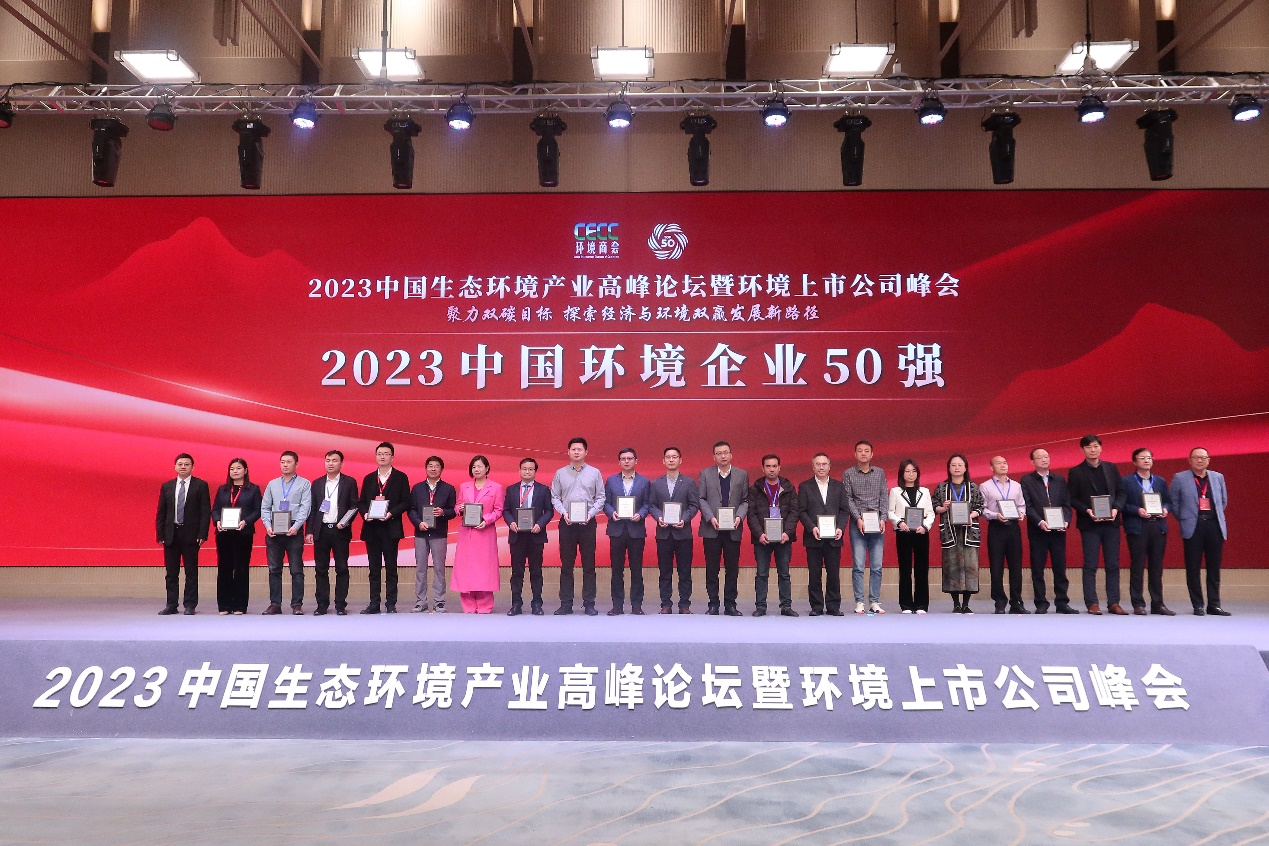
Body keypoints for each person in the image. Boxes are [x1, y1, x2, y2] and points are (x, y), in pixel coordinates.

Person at [1067, 434, 1127, 615]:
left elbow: (1121, 492)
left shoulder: (1111, 468)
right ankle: (1092, 602)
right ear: (1082, 450)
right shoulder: (1076, 471)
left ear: (1101, 448)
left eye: (1095, 446)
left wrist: (1116, 508)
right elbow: (1072, 498)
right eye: (1088, 447)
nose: (1092, 450)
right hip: (1089, 523)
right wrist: (1087, 510)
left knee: (1113, 564)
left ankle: (1114, 602)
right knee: (1090, 564)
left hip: (1111, 522)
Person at [1171, 447, 1231, 616]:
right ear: (1189, 460)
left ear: (1208, 460)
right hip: (1193, 525)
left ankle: (1214, 604)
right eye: (1196, 457)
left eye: (1203, 458)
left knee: (1214, 567)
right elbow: (1174, 503)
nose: (1200, 460)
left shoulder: (1218, 477)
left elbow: (1223, 501)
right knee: (1193, 567)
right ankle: (1198, 605)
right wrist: (1186, 518)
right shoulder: (1180, 478)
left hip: (1214, 525)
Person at [550, 437, 606, 616]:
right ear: (568, 452)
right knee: (567, 565)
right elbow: (555, 497)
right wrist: (563, 513)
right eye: (573, 449)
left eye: (579, 449)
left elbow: (601, 497)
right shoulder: (560, 473)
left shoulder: (595, 473)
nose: (576, 452)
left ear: (586, 452)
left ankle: (589, 603)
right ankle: (566, 604)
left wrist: (590, 514)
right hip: (567, 523)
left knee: (589, 565)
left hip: (588, 523)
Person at [1019, 448, 1077, 614]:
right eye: (1040, 457)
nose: (1044, 460)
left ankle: (1062, 602)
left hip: (1058, 531)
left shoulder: (1059, 480)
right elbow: (1027, 506)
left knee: (1060, 567)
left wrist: (1066, 520)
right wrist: (1040, 521)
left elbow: (1066, 504)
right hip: (1038, 531)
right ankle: (1041, 602)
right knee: (1038, 568)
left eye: (1046, 457)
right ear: (1032, 462)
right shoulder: (1027, 481)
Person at [1120, 448, 1175, 616]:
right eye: (1142, 458)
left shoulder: (1159, 481)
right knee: (1137, 566)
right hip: (1137, 527)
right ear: (1134, 461)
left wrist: (1165, 509)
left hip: (1157, 526)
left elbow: (1168, 501)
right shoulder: (1126, 481)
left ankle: (1158, 603)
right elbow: (1122, 504)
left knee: (1156, 567)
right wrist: (1137, 510)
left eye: (1149, 458)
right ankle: (1138, 603)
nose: (1146, 461)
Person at [155, 453, 210, 615]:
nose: (183, 467)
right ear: (175, 467)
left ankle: (190, 604)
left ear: (192, 467)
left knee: (191, 572)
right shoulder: (167, 486)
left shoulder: (201, 485)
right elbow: (162, 512)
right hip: (171, 534)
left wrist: (202, 534)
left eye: (187, 464)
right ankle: (171, 604)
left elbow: (205, 511)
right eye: (180, 464)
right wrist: (160, 534)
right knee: (171, 573)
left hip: (191, 534)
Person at [358, 442, 410, 614]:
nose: (382, 456)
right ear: (375, 456)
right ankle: (374, 603)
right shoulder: (369, 478)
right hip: (372, 528)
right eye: (379, 453)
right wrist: (365, 513)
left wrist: (391, 513)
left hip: (390, 527)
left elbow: (406, 501)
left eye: (386, 454)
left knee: (391, 568)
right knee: (374, 569)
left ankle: (391, 603)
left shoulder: (400, 477)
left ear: (392, 457)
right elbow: (362, 502)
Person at [697, 440, 749, 616]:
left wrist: (739, 516)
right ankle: (713, 604)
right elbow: (701, 498)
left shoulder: (742, 474)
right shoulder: (705, 474)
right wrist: (710, 517)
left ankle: (730, 604)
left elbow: (745, 500)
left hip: (733, 529)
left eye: (725, 452)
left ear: (731, 455)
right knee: (712, 568)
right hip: (711, 528)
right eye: (719, 453)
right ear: (714, 457)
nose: (723, 456)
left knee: (732, 569)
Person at [305, 450, 359, 616]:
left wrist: (345, 521)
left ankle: (340, 604)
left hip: (340, 530)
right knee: (321, 569)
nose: (330, 463)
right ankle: (322, 604)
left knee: (341, 568)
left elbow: (354, 506)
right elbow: (313, 509)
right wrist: (309, 530)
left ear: (341, 463)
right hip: (321, 530)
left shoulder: (349, 482)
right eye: (328, 460)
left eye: (334, 460)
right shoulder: (317, 483)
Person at [260, 450, 312, 615]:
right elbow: (265, 507)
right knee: (274, 569)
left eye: (289, 462)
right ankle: (275, 604)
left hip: (293, 530)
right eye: (282, 462)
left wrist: (296, 526)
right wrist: (267, 526)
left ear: (296, 464)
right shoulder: (272, 484)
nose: (285, 465)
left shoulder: (304, 484)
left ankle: (297, 604)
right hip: (274, 531)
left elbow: (305, 507)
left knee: (296, 570)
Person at [747, 454, 800, 617]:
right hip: (762, 538)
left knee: (784, 573)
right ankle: (760, 606)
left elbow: (794, 511)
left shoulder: (788, 488)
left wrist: (787, 532)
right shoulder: (755, 489)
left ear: (779, 468)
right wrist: (759, 534)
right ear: (763, 468)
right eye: (768, 466)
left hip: (783, 538)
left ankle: (786, 606)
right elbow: (751, 514)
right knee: (761, 574)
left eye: (774, 466)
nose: (771, 469)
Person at [649, 446, 700, 614]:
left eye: (674, 457)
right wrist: (659, 517)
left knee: (684, 571)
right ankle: (666, 604)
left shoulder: (689, 482)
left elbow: (694, 505)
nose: (671, 460)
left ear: (680, 460)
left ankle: (684, 604)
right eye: (668, 457)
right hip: (663, 533)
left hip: (683, 533)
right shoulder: (656, 483)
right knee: (665, 571)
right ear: (663, 461)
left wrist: (684, 519)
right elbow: (652, 505)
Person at [798, 453, 849, 616]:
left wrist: (840, 527)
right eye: (818, 464)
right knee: (815, 574)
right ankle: (817, 606)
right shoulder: (805, 486)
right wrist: (812, 527)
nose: (821, 467)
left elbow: (844, 510)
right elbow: (801, 511)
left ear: (829, 466)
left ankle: (833, 606)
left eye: (824, 464)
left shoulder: (839, 486)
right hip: (813, 537)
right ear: (813, 467)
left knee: (833, 574)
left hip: (834, 537)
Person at [931, 454, 984, 614]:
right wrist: (943, 507)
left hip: (969, 533)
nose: (957, 468)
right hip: (950, 533)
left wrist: (971, 515)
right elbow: (933, 506)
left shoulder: (973, 487)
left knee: (970, 567)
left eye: (960, 465)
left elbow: (981, 506)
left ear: (965, 468)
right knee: (952, 567)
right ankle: (955, 603)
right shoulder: (942, 487)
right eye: (953, 465)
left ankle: (966, 604)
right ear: (949, 468)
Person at [451, 455, 504, 614]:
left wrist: (486, 520)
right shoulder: (464, 486)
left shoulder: (496, 487)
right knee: (466, 569)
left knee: (484, 569)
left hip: (484, 532)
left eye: (480, 466)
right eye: (474, 467)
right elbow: (457, 506)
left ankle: (484, 604)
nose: (476, 469)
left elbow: (499, 510)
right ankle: (468, 604)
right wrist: (459, 509)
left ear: (487, 468)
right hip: (466, 532)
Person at [603, 448, 651, 616]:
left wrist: (641, 514)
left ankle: (637, 605)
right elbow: (606, 502)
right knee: (617, 570)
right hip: (616, 530)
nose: (626, 461)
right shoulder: (611, 480)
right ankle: (617, 605)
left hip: (636, 530)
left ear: (636, 461)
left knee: (636, 569)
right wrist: (611, 513)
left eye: (630, 458)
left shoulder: (644, 481)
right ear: (619, 462)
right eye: (623, 458)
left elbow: (647, 504)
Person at [842, 441, 888, 615]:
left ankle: (874, 601)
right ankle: (859, 601)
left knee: (876, 566)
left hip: (877, 524)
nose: (863, 453)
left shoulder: (880, 473)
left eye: (866, 451)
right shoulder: (848, 473)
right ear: (855, 454)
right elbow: (848, 498)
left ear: (872, 454)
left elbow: (884, 496)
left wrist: (883, 518)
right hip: (858, 524)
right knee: (858, 566)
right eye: (860, 451)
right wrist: (857, 518)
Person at [504, 457, 553, 615]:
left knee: (536, 572)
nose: (527, 471)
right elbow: (506, 510)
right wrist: (511, 522)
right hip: (517, 536)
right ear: (519, 471)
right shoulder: (511, 489)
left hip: (535, 535)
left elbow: (549, 511)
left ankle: (537, 604)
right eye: (524, 469)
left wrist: (540, 524)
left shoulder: (543, 489)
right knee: (517, 572)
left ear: (535, 472)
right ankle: (516, 604)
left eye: (530, 469)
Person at [407, 456, 456, 613]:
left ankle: (439, 601)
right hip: (421, 533)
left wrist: (443, 512)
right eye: (430, 466)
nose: (433, 468)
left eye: (436, 466)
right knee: (420, 569)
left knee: (439, 569)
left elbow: (453, 511)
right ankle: (420, 602)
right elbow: (411, 510)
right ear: (426, 468)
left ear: (441, 469)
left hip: (439, 534)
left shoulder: (449, 489)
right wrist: (418, 523)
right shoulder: (417, 488)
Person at [980, 455, 1029, 614]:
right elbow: (982, 509)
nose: (1003, 465)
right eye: (999, 463)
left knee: (1016, 566)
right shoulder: (985, 486)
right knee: (996, 566)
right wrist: (996, 515)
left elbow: (1021, 505)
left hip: (1013, 528)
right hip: (996, 528)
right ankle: (999, 601)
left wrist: (1021, 513)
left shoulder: (1016, 486)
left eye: (1005, 463)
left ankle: (1016, 602)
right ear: (991, 468)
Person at [213, 458, 261, 615]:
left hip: (243, 534)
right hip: (224, 534)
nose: (235, 471)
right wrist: (217, 521)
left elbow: (258, 510)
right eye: (232, 468)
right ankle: (224, 605)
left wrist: (246, 521)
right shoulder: (223, 489)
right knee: (224, 568)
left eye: (238, 468)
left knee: (241, 568)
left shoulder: (253, 489)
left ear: (245, 470)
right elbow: (215, 509)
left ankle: (240, 605)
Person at [887, 459, 933, 614]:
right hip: (903, 533)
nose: (911, 474)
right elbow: (890, 512)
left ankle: (921, 604)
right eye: (907, 471)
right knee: (905, 569)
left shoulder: (925, 491)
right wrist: (899, 522)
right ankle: (906, 604)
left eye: (913, 471)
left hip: (921, 533)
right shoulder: (895, 491)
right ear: (902, 473)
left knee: (922, 569)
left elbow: (930, 513)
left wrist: (925, 526)